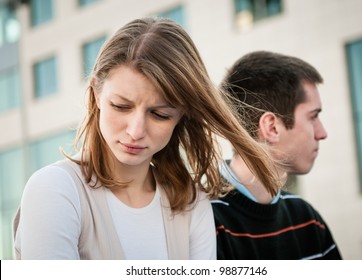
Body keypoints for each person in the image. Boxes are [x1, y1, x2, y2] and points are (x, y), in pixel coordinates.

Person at [13, 18, 280, 260]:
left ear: (181, 116)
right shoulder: (55, 189)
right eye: (121, 106)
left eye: (160, 114)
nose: (136, 130)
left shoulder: (191, 204)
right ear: (96, 93)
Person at [212, 50, 343, 259]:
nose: (322, 133)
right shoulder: (203, 223)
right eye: (313, 117)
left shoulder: (307, 219)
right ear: (271, 127)